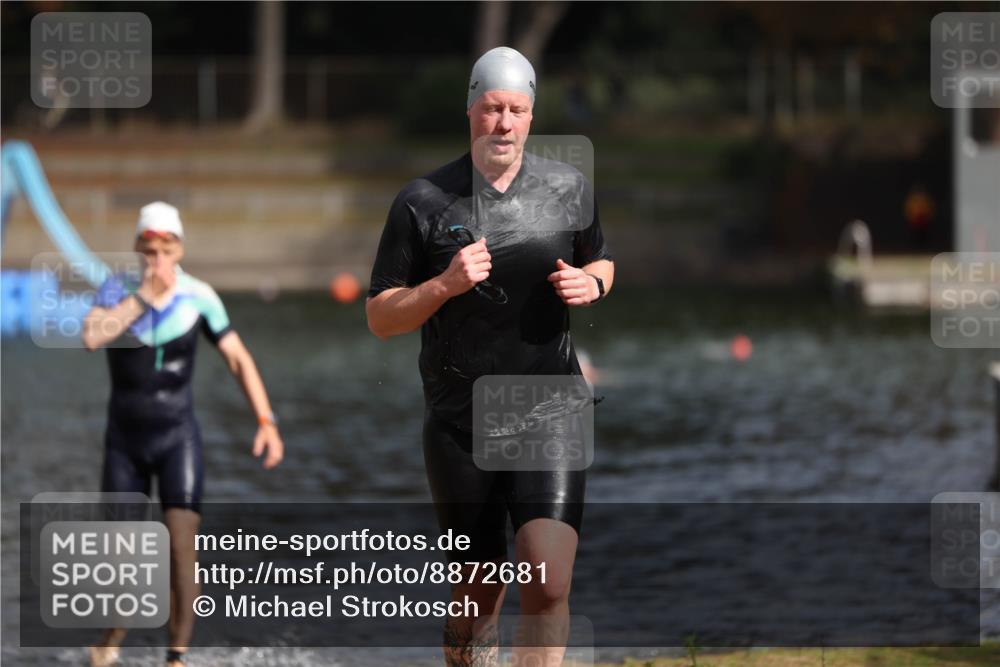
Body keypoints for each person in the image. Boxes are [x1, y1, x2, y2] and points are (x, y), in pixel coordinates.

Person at [366, 47, 613, 666]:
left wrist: (596, 283)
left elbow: (600, 257)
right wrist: (444, 284)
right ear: (471, 110)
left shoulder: (568, 188)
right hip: (460, 419)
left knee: (549, 582)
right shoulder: (423, 202)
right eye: (492, 108)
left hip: (550, 409)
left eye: (517, 110)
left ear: (532, 116)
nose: (504, 123)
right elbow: (379, 316)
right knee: (479, 591)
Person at [82, 202, 284, 667]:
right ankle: (110, 638)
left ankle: (175, 657)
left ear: (180, 249)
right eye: (149, 250)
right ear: (137, 248)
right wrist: (143, 298)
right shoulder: (117, 290)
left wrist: (266, 422)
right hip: (124, 445)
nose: (157, 260)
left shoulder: (200, 296)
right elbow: (92, 337)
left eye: (166, 250)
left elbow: (238, 358)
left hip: (177, 439)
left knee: (179, 550)